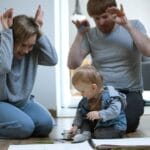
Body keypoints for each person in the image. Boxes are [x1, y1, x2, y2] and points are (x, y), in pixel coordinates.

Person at [67, 0, 150, 133]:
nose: (101, 22)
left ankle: (101, 126)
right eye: (96, 18)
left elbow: (148, 51)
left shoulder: (134, 25)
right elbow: (72, 64)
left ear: (113, 13)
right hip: (100, 92)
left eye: (104, 17)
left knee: (127, 123)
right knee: (88, 119)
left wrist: (127, 25)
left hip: (129, 92)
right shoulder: (90, 34)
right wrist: (80, 34)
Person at [0, 5, 58, 139]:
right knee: (25, 127)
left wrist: (39, 30)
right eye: (23, 45)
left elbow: (53, 60)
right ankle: (19, 125)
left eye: (31, 45)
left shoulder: (32, 51)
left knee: (46, 125)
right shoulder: (3, 46)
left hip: (23, 103)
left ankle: (17, 124)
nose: (26, 51)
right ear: (13, 39)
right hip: (1, 102)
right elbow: (4, 66)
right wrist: (7, 33)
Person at [68, 65, 126, 143]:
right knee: (85, 121)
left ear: (93, 87)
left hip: (113, 125)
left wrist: (100, 114)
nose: (81, 94)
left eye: (82, 91)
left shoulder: (112, 96)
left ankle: (91, 135)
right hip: (96, 124)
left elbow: (115, 111)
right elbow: (80, 113)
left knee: (101, 133)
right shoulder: (85, 100)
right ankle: (86, 133)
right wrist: (75, 126)